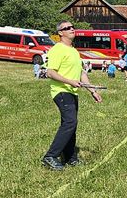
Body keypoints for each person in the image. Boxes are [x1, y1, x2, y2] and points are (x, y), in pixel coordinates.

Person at [43, 21, 102, 171]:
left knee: (71, 125)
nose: (72, 29)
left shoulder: (74, 51)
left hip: (72, 92)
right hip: (61, 91)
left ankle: (70, 158)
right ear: (60, 33)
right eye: (67, 28)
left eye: (72, 27)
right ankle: (50, 156)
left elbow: (82, 73)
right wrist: (69, 81)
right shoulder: (57, 49)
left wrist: (93, 91)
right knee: (70, 122)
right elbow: (50, 72)